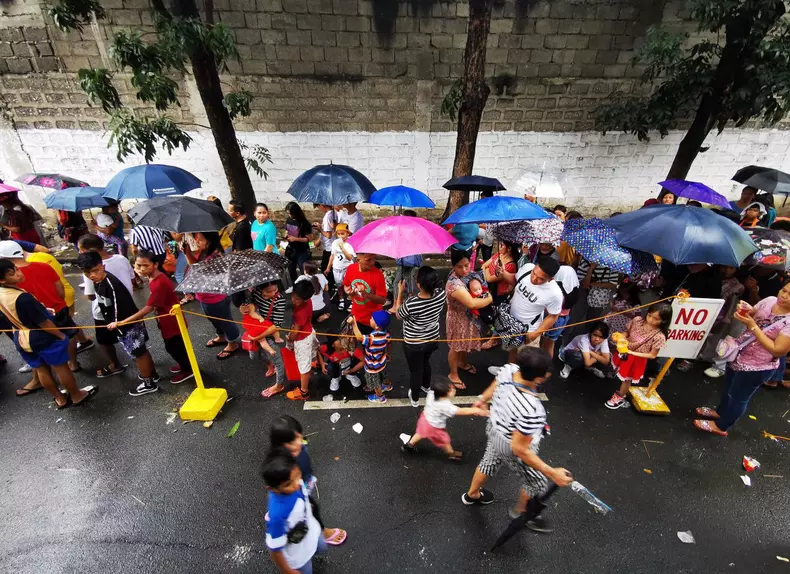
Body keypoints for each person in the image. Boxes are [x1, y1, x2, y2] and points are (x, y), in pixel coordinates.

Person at [462, 346, 573, 530]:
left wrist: (482, 399)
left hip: (495, 428)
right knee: (536, 482)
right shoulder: (532, 409)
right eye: (546, 374)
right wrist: (552, 472)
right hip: (511, 443)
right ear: (538, 378)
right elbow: (520, 449)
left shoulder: (509, 369)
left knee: (489, 461)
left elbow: (494, 385)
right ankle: (521, 513)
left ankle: (472, 494)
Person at [0, 259, 97, 408]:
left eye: (16, 269)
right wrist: (60, 335)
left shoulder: (3, 292)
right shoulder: (23, 298)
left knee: (41, 369)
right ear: (2, 279)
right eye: (13, 274)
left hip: (20, 336)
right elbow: (44, 323)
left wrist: (40, 308)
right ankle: (77, 395)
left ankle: (60, 398)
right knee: (60, 367)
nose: (19, 274)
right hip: (40, 336)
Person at [694, 286, 790, 436]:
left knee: (738, 397)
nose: (784, 296)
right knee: (728, 388)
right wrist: (745, 309)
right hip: (739, 353)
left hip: (758, 366)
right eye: (784, 290)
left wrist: (752, 326)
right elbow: (752, 314)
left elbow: (778, 350)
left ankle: (722, 426)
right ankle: (720, 413)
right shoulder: (770, 300)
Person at [78, 251, 161, 396]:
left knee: (139, 354)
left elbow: (117, 308)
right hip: (123, 323)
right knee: (141, 352)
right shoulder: (98, 281)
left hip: (128, 324)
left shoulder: (111, 284)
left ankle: (149, 383)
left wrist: (116, 323)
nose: (91, 275)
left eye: (95, 271)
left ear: (102, 266)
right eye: (87, 273)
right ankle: (152, 375)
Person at [0, 240, 83, 383]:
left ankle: (54, 381)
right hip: (58, 309)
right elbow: (60, 290)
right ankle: (73, 364)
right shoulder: (44, 266)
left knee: (50, 360)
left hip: (37, 322)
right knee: (69, 335)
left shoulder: (9, 283)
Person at [108, 250, 194, 384]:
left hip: (172, 321)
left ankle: (188, 369)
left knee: (175, 347)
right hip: (166, 319)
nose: (141, 269)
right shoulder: (153, 277)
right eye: (138, 265)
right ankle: (185, 365)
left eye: (145, 265)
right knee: (174, 346)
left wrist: (122, 322)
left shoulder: (159, 282)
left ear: (155, 264)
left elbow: (148, 308)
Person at [269, 416, 348, 546]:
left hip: (303, 483)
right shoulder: (279, 465)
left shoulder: (298, 449)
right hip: (297, 490)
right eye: (290, 442)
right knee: (311, 508)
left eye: (299, 437)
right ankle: (324, 532)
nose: (298, 443)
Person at [77, 233, 136, 378]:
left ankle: (114, 364)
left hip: (103, 311)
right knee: (134, 339)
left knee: (104, 341)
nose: (80, 253)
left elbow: (91, 295)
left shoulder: (90, 270)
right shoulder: (121, 259)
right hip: (128, 306)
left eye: (81, 250)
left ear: (91, 250)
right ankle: (143, 363)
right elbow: (132, 279)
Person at [263, 452, 325, 574]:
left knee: (321, 547)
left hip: (311, 532)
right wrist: (288, 570)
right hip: (298, 556)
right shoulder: (278, 517)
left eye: (298, 476)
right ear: (272, 489)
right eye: (288, 484)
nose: (296, 484)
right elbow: (275, 550)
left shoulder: (294, 479)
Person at [183, 231, 240, 360]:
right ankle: (221, 336)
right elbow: (194, 266)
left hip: (217, 297)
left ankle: (232, 342)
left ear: (208, 241)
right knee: (213, 319)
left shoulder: (216, 256)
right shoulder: (205, 252)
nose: (197, 242)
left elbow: (197, 270)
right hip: (204, 296)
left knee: (225, 320)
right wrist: (187, 252)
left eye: (200, 240)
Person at [394, 266, 446, 407]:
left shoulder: (411, 304)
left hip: (414, 342)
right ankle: (426, 386)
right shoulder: (441, 294)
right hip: (432, 339)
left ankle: (415, 398)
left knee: (416, 370)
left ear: (418, 284)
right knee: (425, 363)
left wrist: (400, 293)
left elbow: (399, 314)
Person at [605, 303, 672, 410]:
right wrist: (621, 336)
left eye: (656, 319)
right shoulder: (637, 320)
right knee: (619, 368)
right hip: (624, 350)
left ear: (664, 321)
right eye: (649, 315)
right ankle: (616, 375)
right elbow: (627, 332)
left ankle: (620, 396)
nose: (650, 320)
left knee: (627, 379)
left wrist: (631, 353)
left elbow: (652, 355)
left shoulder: (659, 336)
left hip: (636, 359)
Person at [402, 378, 488, 460]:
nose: (454, 389)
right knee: (444, 441)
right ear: (445, 394)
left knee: (420, 432)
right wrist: (476, 410)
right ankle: (451, 454)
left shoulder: (432, 393)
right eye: (451, 389)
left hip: (425, 419)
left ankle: (409, 445)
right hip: (434, 427)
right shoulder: (445, 406)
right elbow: (461, 411)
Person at [445, 250, 492, 389]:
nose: (464, 269)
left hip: (468, 317)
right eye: (460, 266)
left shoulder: (468, 275)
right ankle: (453, 374)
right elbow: (472, 303)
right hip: (457, 318)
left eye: (466, 265)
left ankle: (462, 363)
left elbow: (485, 275)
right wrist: (489, 298)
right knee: (455, 347)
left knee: (465, 343)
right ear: (453, 267)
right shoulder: (454, 284)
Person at [505, 257, 563, 360]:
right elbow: (516, 280)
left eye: (541, 278)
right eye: (534, 273)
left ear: (550, 279)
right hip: (512, 323)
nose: (534, 279)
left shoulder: (555, 294)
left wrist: (535, 334)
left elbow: (553, 316)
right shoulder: (527, 268)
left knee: (527, 363)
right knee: (512, 351)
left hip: (528, 330)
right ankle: (508, 372)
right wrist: (503, 273)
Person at [703, 265, 746, 379]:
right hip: (710, 311)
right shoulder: (711, 277)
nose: (727, 270)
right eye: (725, 267)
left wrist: (725, 317)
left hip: (727, 315)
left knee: (724, 339)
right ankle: (704, 356)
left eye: (731, 268)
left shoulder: (738, 286)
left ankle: (719, 365)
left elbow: (732, 304)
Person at [252, 281, 289, 399]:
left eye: (275, 290)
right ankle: (270, 365)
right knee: (254, 355)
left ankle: (279, 385)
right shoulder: (255, 294)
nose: (273, 293)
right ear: (260, 290)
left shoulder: (279, 300)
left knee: (278, 361)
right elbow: (250, 310)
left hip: (269, 332)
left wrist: (259, 336)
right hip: (254, 330)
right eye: (269, 292)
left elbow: (277, 325)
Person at [349, 310, 392, 404]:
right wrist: (388, 353)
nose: (370, 319)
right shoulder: (387, 334)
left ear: (377, 326)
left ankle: (380, 397)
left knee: (375, 383)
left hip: (372, 365)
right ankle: (387, 386)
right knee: (384, 374)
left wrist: (354, 323)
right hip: (382, 360)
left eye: (372, 319)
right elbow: (389, 344)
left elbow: (359, 338)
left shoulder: (372, 338)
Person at [285, 281, 318, 401]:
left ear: (305, 299)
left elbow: (295, 333)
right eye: (293, 296)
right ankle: (315, 363)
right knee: (313, 351)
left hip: (302, 340)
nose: (293, 300)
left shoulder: (300, 312)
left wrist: (290, 338)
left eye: (297, 299)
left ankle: (304, 392)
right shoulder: (308, 301)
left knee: (304, 368)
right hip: (309, 331)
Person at [342, 252, 387, 334]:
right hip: (356, 316)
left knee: (373, 344)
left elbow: (383, 300)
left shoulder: (378, 275)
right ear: (358, 260)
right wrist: (349, 292)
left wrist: (366, 295)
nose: (373, 262)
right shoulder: (351, 268)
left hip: (373, 321)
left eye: (374, 258)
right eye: (368, 260)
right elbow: (346, 285)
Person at [326, 223, 356, 311]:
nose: (340, 236)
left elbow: (350, 257)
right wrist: (328, 267)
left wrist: (343, 248)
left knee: (350, 285)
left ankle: (352, 302)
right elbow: (332, 255)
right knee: (339, 285)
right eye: (338, 234)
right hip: (336, 267)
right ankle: (341, 300)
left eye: (342, 234)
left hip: (347, 267)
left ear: (347, 233)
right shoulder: (335, 243)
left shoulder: (350, 243)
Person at [285, 202, 314, 281]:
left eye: (291, 214)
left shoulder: (304, 223)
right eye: (288, 214)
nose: (290, 216)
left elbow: (309, 239)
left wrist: (295, 239)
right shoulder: (288, 220)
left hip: (302, 250)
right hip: (291, 249)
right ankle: (295, 286)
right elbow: (287, 230)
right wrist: (286, 234)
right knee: (291, 269)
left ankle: (306, 286)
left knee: (303, 269)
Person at [315, 204, 336, 293]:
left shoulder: (328, 215)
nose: (319, 209)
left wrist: (320, 229)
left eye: (318, 207)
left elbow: (328, 235)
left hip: (329, 247)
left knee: (327, 269)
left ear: (322, 205)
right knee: (329, 268)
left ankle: (330, 288)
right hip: (330, 246)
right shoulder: (333, 213)